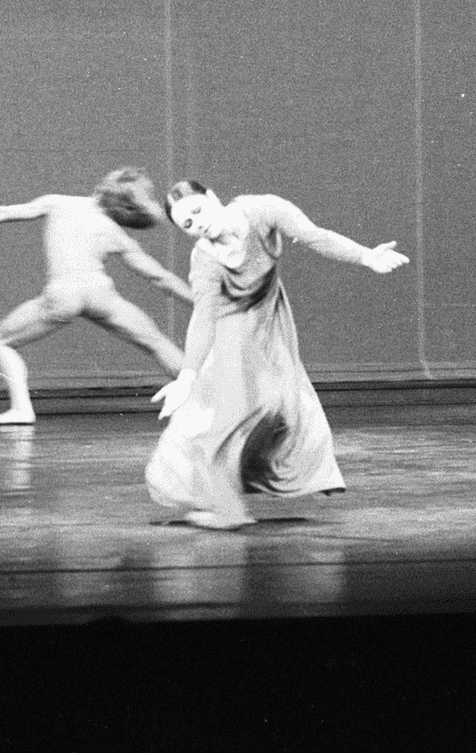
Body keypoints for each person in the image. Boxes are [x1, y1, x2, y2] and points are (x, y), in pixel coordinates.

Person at [146, 180, 409, 529]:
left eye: (197, 211)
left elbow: (316, 236)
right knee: (237, 411)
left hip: (269, 321)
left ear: (212, 198)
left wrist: (364, 255)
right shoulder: (205, 260)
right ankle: (223, 507)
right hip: (230, 330)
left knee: (281, 405)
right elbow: (204, 317)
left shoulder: (263, 210)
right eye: (188, 225)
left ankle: (242, 489)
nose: (199, 223)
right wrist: (187, 376)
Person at [0, 168, 194, 425]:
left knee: (0, 340)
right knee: (156, 342)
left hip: (64, 295)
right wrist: (200, 301)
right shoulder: (115, 233)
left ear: (103, 187)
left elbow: (2, 212)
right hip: (101, 295)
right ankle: (209, 397)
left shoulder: (58, 203)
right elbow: (159, 277)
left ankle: (21, 409)